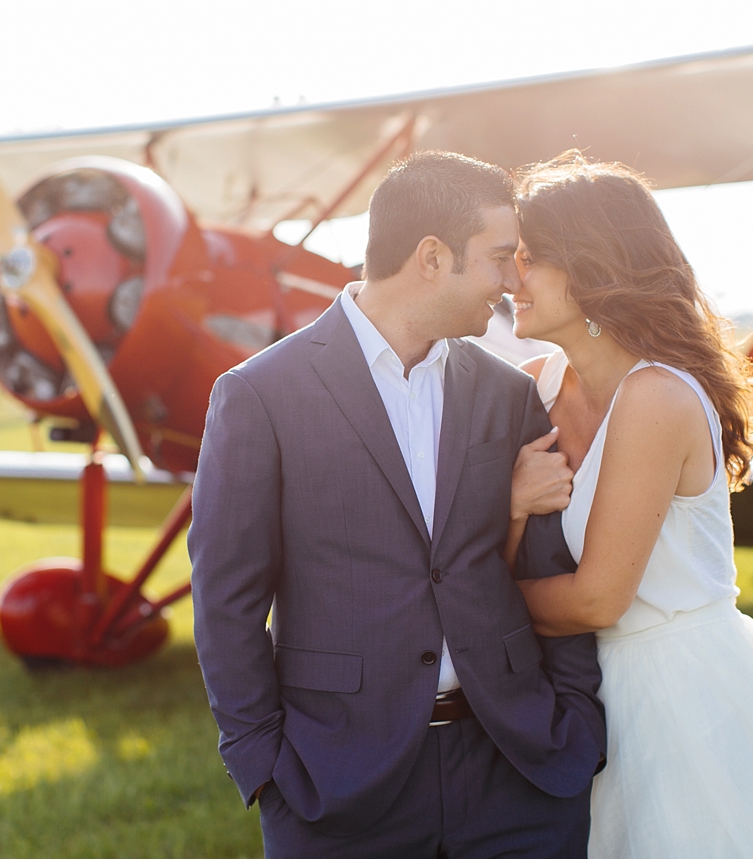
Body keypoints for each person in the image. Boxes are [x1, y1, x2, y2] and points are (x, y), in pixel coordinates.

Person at [189, 151, 605, 858]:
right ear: (433, 258)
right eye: (500, 257)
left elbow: (542, 566)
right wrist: (263, 761)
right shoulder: (260, 395)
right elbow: (226, 598)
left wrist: (575, 721)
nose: (512, 282)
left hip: (517, 769)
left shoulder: (507, 395)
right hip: (336, 781)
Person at [504, 152, 753, 859]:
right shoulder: (531, 385)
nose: (513, 275)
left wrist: (470, 606)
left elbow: (599, 601)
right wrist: (511, 507)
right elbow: (498, 540)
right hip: (581, 696)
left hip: (679, 694)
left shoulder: (657, 396)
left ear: (591, 266)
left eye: (530, 257)